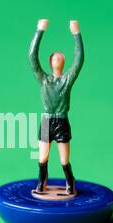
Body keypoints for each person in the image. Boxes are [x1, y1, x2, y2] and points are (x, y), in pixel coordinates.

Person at [29, 19, 84, 196]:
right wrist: (39, 30)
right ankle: (41, 181)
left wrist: (76, 34)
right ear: (50, 61)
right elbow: (32, 57)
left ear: (64, 61)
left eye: (61, 56)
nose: (58, 57)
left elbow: (79, 60)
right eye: (55, 56)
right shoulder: (43, 79)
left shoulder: (67, 80)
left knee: (64, 159)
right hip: (46, 121)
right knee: (43, 157)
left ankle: (70, 181)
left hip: (61, 121)